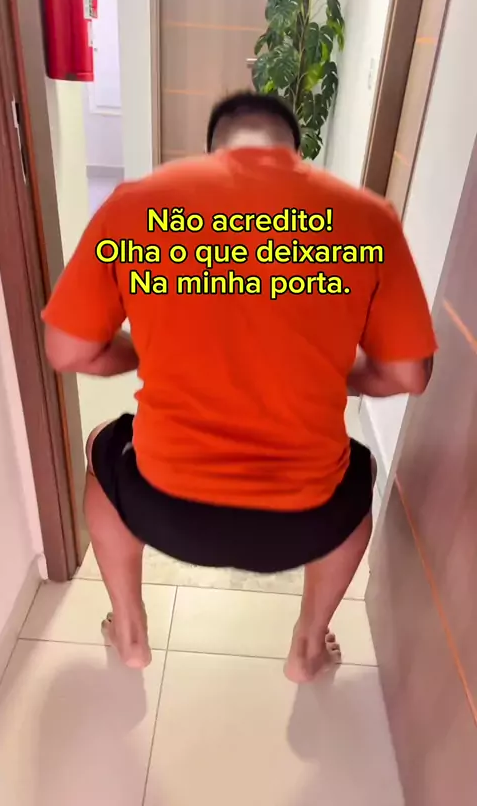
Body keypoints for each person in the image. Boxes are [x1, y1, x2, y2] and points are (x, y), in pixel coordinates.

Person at [42, 92, 436, 681]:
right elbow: (408, 375)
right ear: (294, 153)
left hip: (164, 508)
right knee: (361, 472)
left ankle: (128, 626)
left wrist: (151, 352)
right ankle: (307, 644)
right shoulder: (369, 219)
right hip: (308, 520)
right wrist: (332, 369)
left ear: (213, 149)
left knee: (103, 447)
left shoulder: (137, 206)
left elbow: (68, 351)